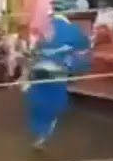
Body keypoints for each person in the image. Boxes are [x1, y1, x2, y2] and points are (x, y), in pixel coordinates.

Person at [22, 14, 92, 151]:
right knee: (52, 106)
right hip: (56, 72)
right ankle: (42, 136)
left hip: (42, 71)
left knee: (40, 102)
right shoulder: (70, 34)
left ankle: (40, 134)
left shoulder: (43, 33)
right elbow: (82, 51)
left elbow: (32, 53)